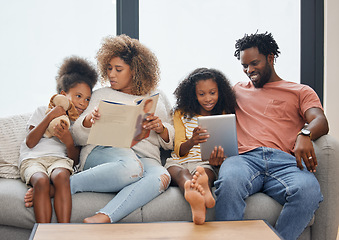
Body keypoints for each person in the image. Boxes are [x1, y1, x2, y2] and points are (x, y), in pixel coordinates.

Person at [214, 32, 329, 240]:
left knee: (309, 191)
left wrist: (305, 133)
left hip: (285, 163)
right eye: (244, 66)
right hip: (245, 159)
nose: (249, 70)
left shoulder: (300, 91)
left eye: (254, 63)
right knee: (229, 181)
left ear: (270, 58)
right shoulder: (237, 91)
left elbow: (320, 120)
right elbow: (209, 111)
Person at [55, 34, 173, 223]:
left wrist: (161, 129)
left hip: (145, 158)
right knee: (132, 167)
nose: (111, 74)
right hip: (103, 152)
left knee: (162, 177)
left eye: (118, 69)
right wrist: (89, 121)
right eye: (109, 68)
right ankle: (64, 186)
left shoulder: (157, 97)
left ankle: (104, 216)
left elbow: (171, 142)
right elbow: (76, 135)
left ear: (135, 70)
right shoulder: (100, 94)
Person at [19, 56, 98, 223]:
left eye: (87, 99)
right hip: (33, 160)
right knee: (41, 181)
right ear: (63, 95)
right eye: (78, 96)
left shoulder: (77, 124)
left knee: (62, 177)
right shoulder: (42, 111)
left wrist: (68, 140)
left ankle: (64, 231)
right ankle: (44, 233)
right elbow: (30, 142)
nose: (83, 103)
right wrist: (51, 116)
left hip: (59, 160)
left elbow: (74, 160)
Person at [165, 68, 236, 225]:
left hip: (205, 163)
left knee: (207, 172)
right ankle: (196, 193)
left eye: (212, 93)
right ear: (193, 95)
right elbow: (178, 149)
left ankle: (201, 187)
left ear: (220, 92)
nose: (208, 98)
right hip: (180, 161)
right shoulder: (180, 114)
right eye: (201, 94)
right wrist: (192, 141)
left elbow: (226, 147)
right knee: (180, 172)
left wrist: (220, 159)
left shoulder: (223, 114)